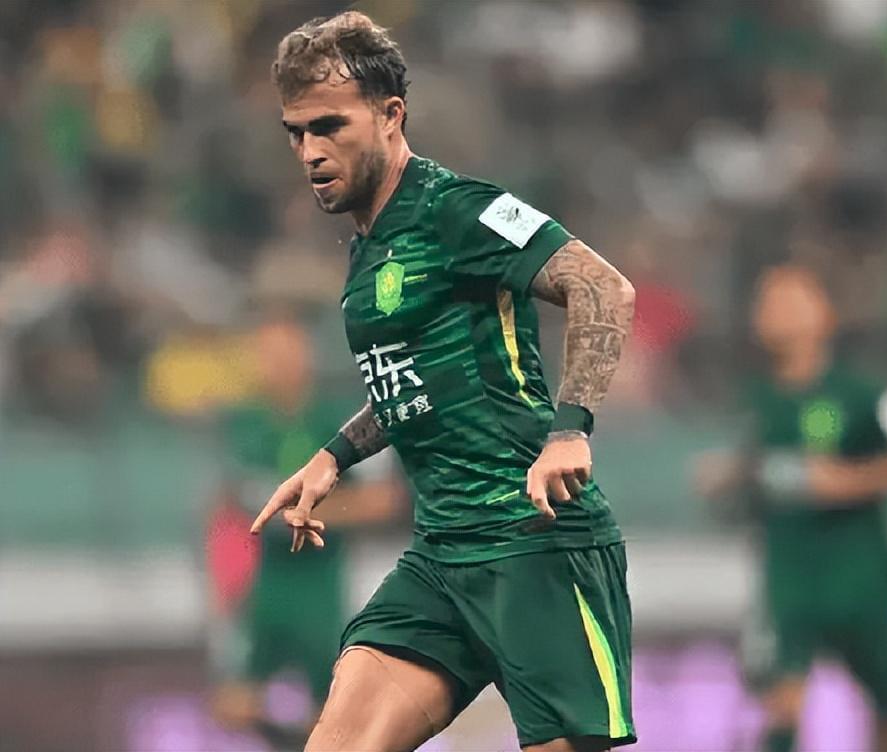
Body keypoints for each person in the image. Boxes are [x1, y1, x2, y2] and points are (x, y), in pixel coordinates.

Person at [248, 12, 637, 752]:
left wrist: (570, 431)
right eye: (296, 133)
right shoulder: (369, 244)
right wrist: (335, 455)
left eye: (329, 126)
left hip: (533, 544)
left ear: (391, 115)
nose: (311, 151)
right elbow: (421, 380)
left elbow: (602, 288)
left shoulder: (461, 208)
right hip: (441, 557)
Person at [696, 265, 887, 752]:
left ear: (826, 313)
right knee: (782, 703)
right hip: (789, 577)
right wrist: (730, 476)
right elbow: (753, 469)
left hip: (861, 574)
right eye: (767, 302)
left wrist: (850, 481)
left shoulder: (865, 394)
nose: (777, 312)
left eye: (792, 299)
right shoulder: (754, 400)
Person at [206, 311, 404, 748]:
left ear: (307, 353)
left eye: (288, 349)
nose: (278, 361)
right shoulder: (244, 425)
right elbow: (230, 505)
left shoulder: (339, 422)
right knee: (234, 703)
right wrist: (221, 582)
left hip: (325, 582)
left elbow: (384, 500)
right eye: (268, 352)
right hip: (265, 582)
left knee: (335, 709)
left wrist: (312, 511)